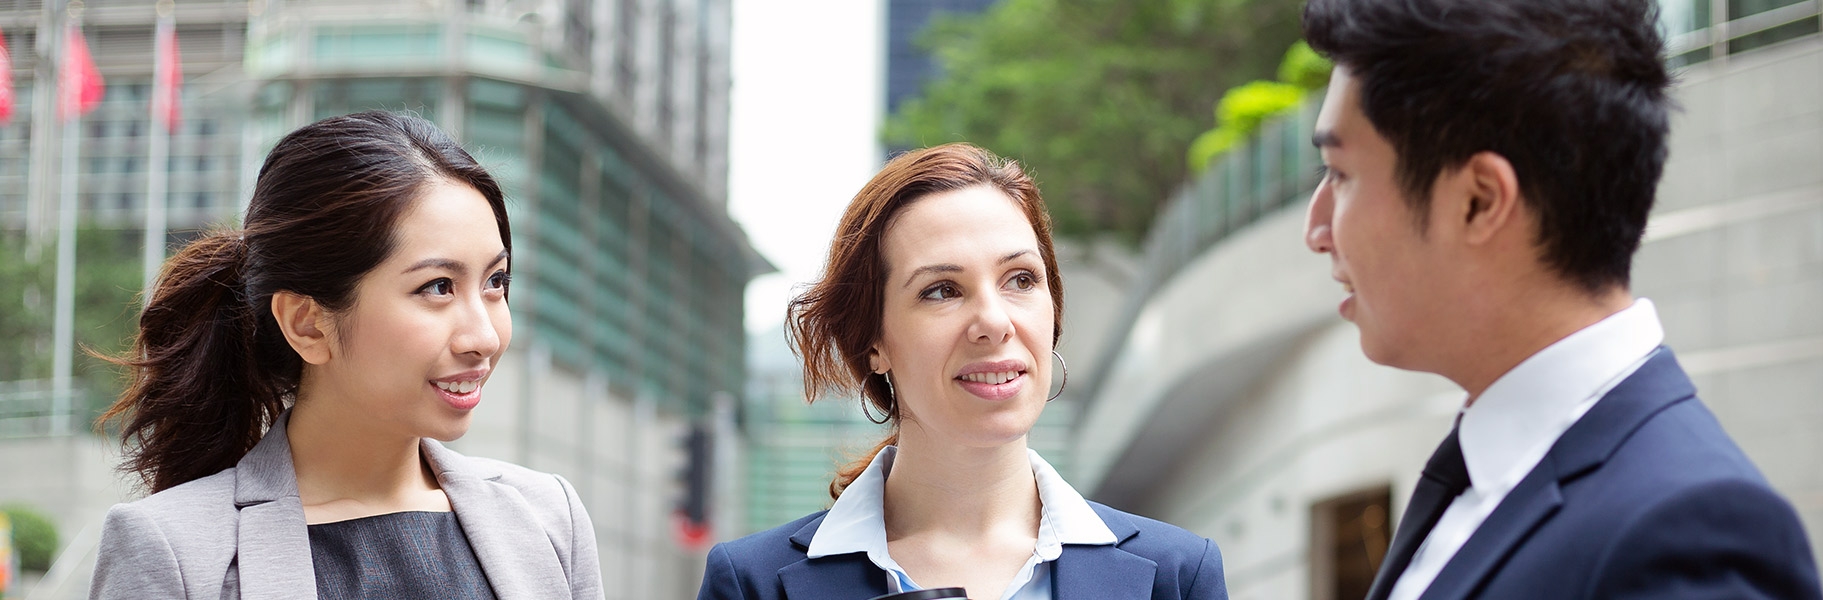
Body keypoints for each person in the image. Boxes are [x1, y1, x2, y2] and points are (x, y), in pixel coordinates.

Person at [1297, 0, 1823, 598]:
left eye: (1340, 173)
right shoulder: (1479, 470)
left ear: (1480, 201)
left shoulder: (1686, 537)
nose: (1316, 230)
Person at [88, 111, 603, 599]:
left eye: (496, 282)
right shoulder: (174, 551)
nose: (484, 336)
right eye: (438, 286)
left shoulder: (547, 518)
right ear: (307, 323)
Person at [697, 143, 1227, 600]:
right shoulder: (754, 584)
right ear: (874, 341)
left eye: (1021, 279)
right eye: (942, 290)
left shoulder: (1176, 577)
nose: (994, 323)